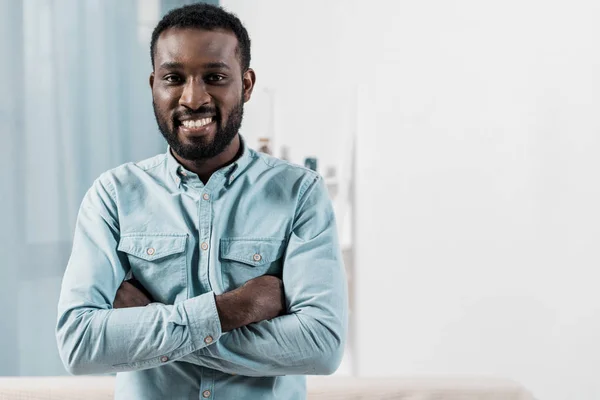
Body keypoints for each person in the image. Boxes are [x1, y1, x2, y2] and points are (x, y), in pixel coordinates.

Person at [55, 3, 348, 399]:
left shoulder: (300, 194)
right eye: (174, 77)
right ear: (154, 85)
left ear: (245, 85)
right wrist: (236, 308)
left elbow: (322, 346)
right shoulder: (113, 196)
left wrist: (149, 329)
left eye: (215, 76)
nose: (193, 98)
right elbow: (79, 344)